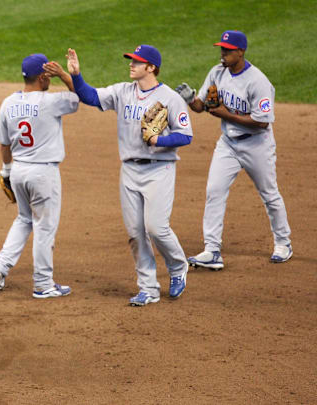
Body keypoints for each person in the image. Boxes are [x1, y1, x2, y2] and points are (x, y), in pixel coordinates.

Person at [66, 45, 192, 306]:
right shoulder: (122, 91)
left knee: (156, 228)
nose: (131, 64)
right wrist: (76, 75)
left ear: (151, 67)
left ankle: (178, 267)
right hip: (130, 170)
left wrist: (160, 139)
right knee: (136, 233)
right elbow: (89, 96)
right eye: (131, 60)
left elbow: (186, 135)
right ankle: (148, 288)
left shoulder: (170, 98)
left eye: (137, 61)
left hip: (160, 169)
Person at [176, 30, 293, 269]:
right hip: (228, 143)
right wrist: (190, 99)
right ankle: (212, 250)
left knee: (269, 194)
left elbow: (262, 121)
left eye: (227, 50)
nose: (223, 54)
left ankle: (283, 243)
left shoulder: (258, 81)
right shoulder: (216, 72)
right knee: (214, 191)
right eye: (221, 49)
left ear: (240, 52)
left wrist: (225, 114)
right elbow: (203, 106)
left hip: (257, 144)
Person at [0, 53, 80, 298]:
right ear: (43, 77)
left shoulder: (8, 102)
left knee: (24, 219)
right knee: (44, 227)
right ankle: (43, 284)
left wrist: (6, 171)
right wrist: (64, 75)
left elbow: (4, 144)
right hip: (43, 174)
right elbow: (77, 95)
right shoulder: (52, 102)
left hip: (18, 170)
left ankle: (1, 265)